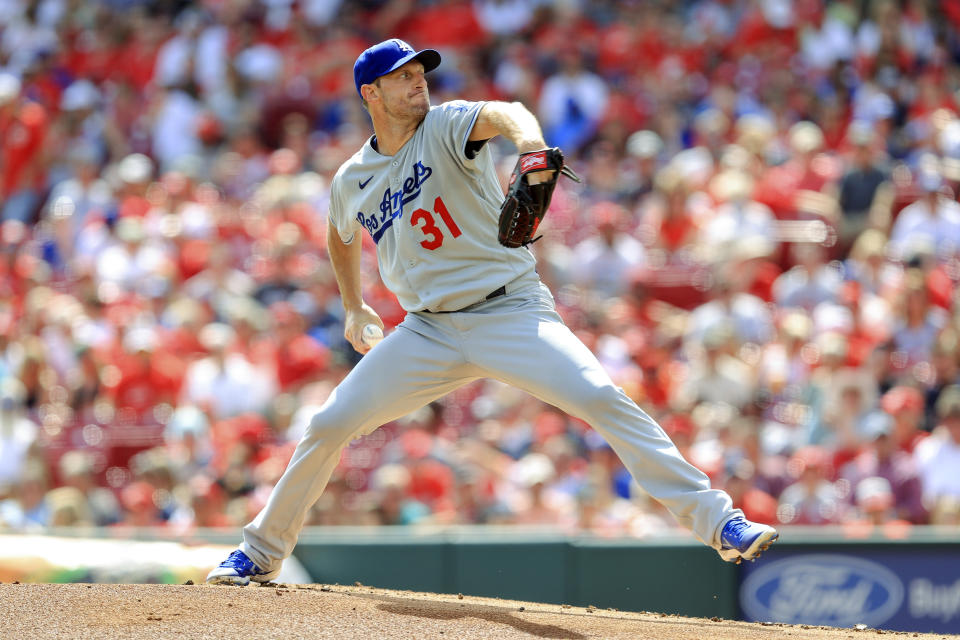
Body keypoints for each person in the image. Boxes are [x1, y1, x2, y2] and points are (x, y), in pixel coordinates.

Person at [207, 38, 778, 585]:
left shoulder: (447, 124)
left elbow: (509, 113)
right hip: (426, 330)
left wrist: (531, 147)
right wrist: (354, 305)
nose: (416, 84)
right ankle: (258, 553)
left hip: (509, 312)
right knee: (328, 423)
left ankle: (718, 521)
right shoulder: (352, 177)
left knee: (602, 397)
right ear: (370, 94)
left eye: (418, 74)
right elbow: (340, 233)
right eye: (401, 77)